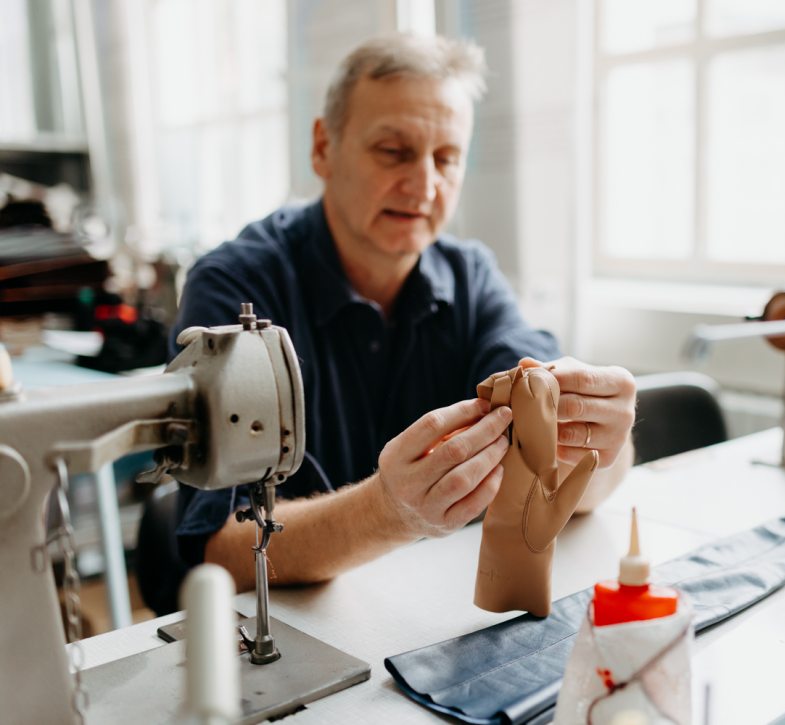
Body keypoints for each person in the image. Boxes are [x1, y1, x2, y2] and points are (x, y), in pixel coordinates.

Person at [170, 33, 636, 591]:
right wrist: (388, 513)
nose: (424, 185)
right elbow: (217, 549)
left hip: (426, 611)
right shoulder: (234, 288)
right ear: (323, 147)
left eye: (447, 158)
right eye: (393, 152)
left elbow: (566, 478)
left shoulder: (472, 277)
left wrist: (598, 445)